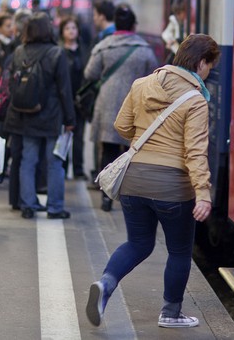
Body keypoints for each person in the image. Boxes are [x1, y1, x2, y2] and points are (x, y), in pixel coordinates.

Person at [85, 33, 219, 329]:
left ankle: (106, 284)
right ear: (200, 63)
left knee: (138, 243)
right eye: (209, 64)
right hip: (172, 187)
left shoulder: (142, 84)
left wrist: (146, 140)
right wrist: (203, 192)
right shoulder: (195, 100)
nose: (209, 71)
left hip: (133, 181)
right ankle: (171, 313)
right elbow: (195, 151)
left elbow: (121, 125)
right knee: (180, 250)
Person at [84, 4, 157, 211]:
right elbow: (154, 76)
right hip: (136, 106)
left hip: (108, 104)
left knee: (108, 151)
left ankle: (106, 197)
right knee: (131, 152)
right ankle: (128, 197)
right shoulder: (144, 50)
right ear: (134, 26)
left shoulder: (104, 46)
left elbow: (90, 73)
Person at [4, 12, 76, 219]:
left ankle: (28, 205)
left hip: (26, 113)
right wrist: (70, 120)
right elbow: (64, 89)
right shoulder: (57, 53)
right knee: (54, 162)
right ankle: (54, 207)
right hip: (51, 115)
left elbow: (12, 84)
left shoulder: (19, 52)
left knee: (28, 160)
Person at [60, 16, 87, 179]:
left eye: (74, 28)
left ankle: (78, 169)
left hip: (81, 99)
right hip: (64, 99)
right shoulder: (59, 51)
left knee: (79, 137)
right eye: (68, 28)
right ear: (62, 32)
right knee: (63, 135)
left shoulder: (84, 50)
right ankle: (62, 167)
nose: (71, 31)